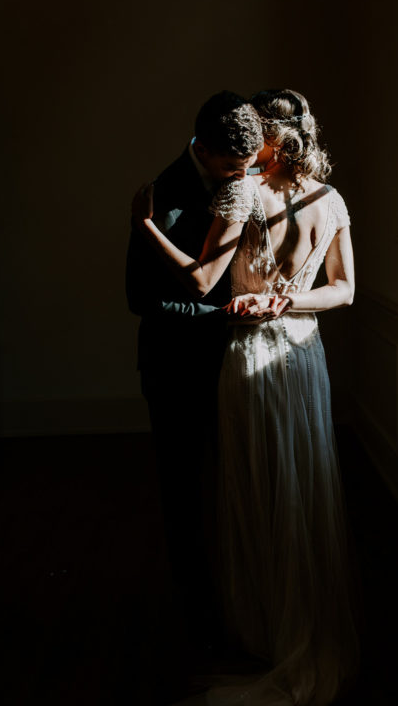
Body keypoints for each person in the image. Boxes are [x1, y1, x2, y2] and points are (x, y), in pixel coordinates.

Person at [131, 89, 360, 705]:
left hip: (253, 354)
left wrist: (147, 225)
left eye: (256, 134)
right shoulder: (330, 200)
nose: (245, 148)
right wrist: (287, 301)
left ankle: (261, 625)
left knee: (255, 485)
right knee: (302, 484)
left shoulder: (241, 194)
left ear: (274, 141)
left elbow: (203, 279)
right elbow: (343, 291)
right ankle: (303, 618)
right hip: (305, 355)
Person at [125, 91, 276, 659]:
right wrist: (219, 314)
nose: (243, 178)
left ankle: (242, 600)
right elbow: (139, 297)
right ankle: (198, 620)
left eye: (249, 166)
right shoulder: (163, 195)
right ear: (203, 150)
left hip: (235, 361)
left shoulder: (244, 178)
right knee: (185, 491)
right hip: (176, 364)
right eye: (232, 169)